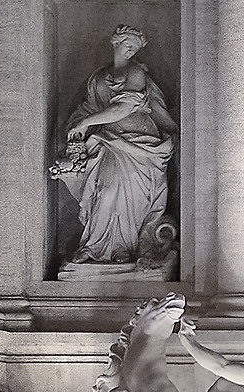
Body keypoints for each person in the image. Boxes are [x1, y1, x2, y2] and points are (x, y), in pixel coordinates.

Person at [52, 25, 176, 268]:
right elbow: (88, 108)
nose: (131, 50)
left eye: (136, 48)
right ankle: (94, 247)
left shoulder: (136, 73)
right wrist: (77, 125)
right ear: (116, 42)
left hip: (138, 146)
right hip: (107, 142)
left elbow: (123, 108)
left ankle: (123, 248)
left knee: (126, 197)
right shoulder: (98, 77)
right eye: (128, 44)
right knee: (105, 192)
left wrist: (87, 122)